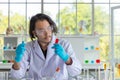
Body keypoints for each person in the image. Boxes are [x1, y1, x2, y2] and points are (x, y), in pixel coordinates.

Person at [10, 13, 82, 80]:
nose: (47, 33)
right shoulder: (29, 47)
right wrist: (17, 60)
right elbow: (17, 75)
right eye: (41, 31)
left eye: (49, 28)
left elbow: (76, 71)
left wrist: (67, 58)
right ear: (35, 33)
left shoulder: (64, 44)